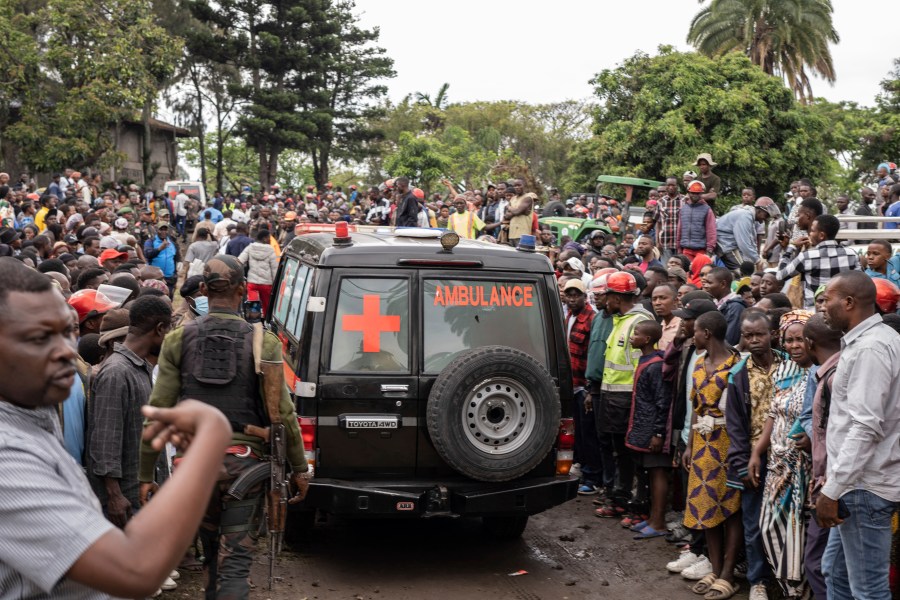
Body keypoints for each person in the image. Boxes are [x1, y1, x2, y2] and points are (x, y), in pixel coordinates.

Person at [0, 257, 233, 599]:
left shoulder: (36, 411)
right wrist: (211, 438)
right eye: (37, 338)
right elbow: (136, 569)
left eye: (69, 331)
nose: (65, 350)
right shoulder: (7, 457)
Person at [138, 255, 310, 600]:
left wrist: (145, 476)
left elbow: (157, 413)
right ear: (244, 290)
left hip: (194, 469)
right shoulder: (265, 343)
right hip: (245, 466)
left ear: (203, 289)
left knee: (212, 556)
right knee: (235, 564)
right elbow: (284, 416)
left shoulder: (177, 340)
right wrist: (299, 468)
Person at [817, 271, 900, 600]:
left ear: (849, 303)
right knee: (835, 573)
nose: (822, 307)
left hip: (864, 487)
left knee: (869, 589)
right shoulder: (866, 342)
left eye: (827, 300)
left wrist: (832, 490)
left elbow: (865, 426)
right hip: (854, 484)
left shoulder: (871, 349)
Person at [87, 296, 172, 530]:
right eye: (169, 331)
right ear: (159, 329)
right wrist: (114, 496)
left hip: (142, 496)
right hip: (125, 501)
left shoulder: (140, 368)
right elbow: (105, 442)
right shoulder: (117, 372)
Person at [747, 310, 813, 597]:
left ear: (812, 340)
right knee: (769, 528)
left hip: (802, 468)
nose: (794, 345)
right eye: (789, 340)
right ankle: (789, 587)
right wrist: (756, 453)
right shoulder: (784, 370)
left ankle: (799, 592)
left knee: (798, 534)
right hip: (776, 465)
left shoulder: (819, 373)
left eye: (800, 340)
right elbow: (773, 415)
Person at [682, 311, 743, 600]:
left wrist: (738, 450)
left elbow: (742, 413)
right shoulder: (698, 363)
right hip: (703, 444)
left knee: (731, 509)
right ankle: (716, 570)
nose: (692, 335)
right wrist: (689, 445)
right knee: (706, 506)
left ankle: (729, 573)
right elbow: (695, 409)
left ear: (707, 333)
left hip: (728, 444)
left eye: (695, 331)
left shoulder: (737, 365)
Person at [724, 311, 781, 600]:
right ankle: (757, 580)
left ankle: (786, 579)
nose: (755, 340)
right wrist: (742, 463)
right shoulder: (738, 374)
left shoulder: (791, 365)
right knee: (754, 522)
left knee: (785, 521)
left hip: (788, 458)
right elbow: (734, 425)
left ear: (772, 333)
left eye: (760, 334)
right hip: (753, 459)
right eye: (748, 335)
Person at [594, 272, 654, 517]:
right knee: (619, 451)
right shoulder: (620, 320)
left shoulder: (638, 322)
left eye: (606, 296)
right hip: (613, 397)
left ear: (616, 297)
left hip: (627, 398)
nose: (603, 301)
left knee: (630, 454)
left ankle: (632, 503)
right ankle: (619, 498)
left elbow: (644, 366)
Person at [798, 314, 842, 600]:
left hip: (836, 483)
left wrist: (831, 487)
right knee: (826, 564)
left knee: (822, 563)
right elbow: (809, 420)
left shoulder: (836, 375)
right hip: (831, 480)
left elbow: (848, 435)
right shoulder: (824, 373)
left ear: (809, 343)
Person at [623, 320, 671, 539]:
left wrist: (658, 433)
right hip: (644, 427)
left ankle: (659, 522)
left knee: (658, 472)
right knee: (650, 474)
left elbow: (662, 401)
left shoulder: (655, 365)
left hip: (653, 430)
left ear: (648, 339)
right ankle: (652, 518)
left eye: (636, 333)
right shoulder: (645, 360)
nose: (632, 336)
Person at [563, 279, 601, 496]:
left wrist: (589, 388)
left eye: (576, 294)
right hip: (572, 383)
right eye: (569, 294)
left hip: (584, 386)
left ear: (584, 296)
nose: (572, 298)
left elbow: (592, 355)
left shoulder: (591, 318)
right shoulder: (569, 315)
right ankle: (580, 466)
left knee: (588, 434)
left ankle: (593, 476)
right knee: (575, 431)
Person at [776, 214, 859, 309]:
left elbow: (780, 276)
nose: (810, 234)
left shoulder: (807, 257)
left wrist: (791, 247)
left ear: (821, 235)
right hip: (842, 312)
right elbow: (859, 283)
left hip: (814, 313)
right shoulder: (852, 255)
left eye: (812, 231)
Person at [715, 199, 772, 270]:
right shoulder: (745, 217)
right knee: (742, 272)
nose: (766, 219)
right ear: (759, 211)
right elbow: (743, 243)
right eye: (766, 215)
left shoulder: (749, 217)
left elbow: (750, 240)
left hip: (727, 244)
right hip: (724, 244)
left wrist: (756, 258)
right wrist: (757, 260)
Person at [238, 229, 280, 317]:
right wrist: (275, 284)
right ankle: (265, 322)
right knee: (267, 306)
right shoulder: (270, 249)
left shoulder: (250, 247)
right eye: (269, 237)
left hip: (252, 283)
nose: (269, 239)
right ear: (264, 238)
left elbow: (240, 260)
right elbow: (274, 268)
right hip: (266, 284)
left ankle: (254, 322)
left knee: (253, 305)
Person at [704, 267, 746, 346]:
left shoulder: (735, 308)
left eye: (710, 283)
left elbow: (729, 339)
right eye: (706, 282)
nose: (706, 286)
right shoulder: (715, 303)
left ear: (723, 284)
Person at [676, 181, 717, 261]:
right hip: (686, 250)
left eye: (698, 193)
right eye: (693, 193)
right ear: (688, 193)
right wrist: (678, 247)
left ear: (701, 194)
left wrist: (709, 250)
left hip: (701, 250)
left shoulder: (707, 209)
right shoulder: (683, 209)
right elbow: (679, 229)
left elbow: (711, 231)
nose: (695, 195)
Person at [143, 222, 181, 298]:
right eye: (161, 229)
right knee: (155, 298)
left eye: (165, 229)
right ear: (157, 230)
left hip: (169, 278)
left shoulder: (172, 243)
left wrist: (175, 275)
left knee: (168, 299)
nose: (163, 232)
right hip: (155, 278)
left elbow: (175, 259)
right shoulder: (150, 242)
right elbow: (147, 254)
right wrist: (159, 249)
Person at [657, 177, 684, 262]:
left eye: (673, 185)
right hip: (665, 241)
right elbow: (658, 223)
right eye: (669, 185)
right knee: (666, 269)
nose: (671, 187)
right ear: (666, 187)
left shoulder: (684, 200)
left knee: (679, 268)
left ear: (677, 186)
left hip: (680, 242)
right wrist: (657, 242)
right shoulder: (660, 202)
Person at [652, 283, 681, 350]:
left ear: (675, 301)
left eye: (663, 298)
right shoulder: (661, 325)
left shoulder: (682, 326)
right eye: (654, 299)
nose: (657, 303)